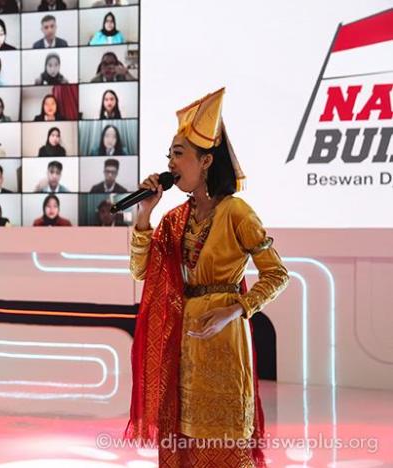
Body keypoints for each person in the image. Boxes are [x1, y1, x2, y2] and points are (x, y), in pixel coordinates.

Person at [125, 88, 289, 467]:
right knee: (184, 440)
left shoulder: (236, 212)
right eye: (169, 156)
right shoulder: (173, 220)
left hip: (225, 337)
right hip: (184, 338)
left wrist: (237, 309)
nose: (170, 163)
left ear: (206, 161)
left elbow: (277, 274)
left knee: (223, 441)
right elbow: (140, 271)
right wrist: (144, 214)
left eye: (178, 154)